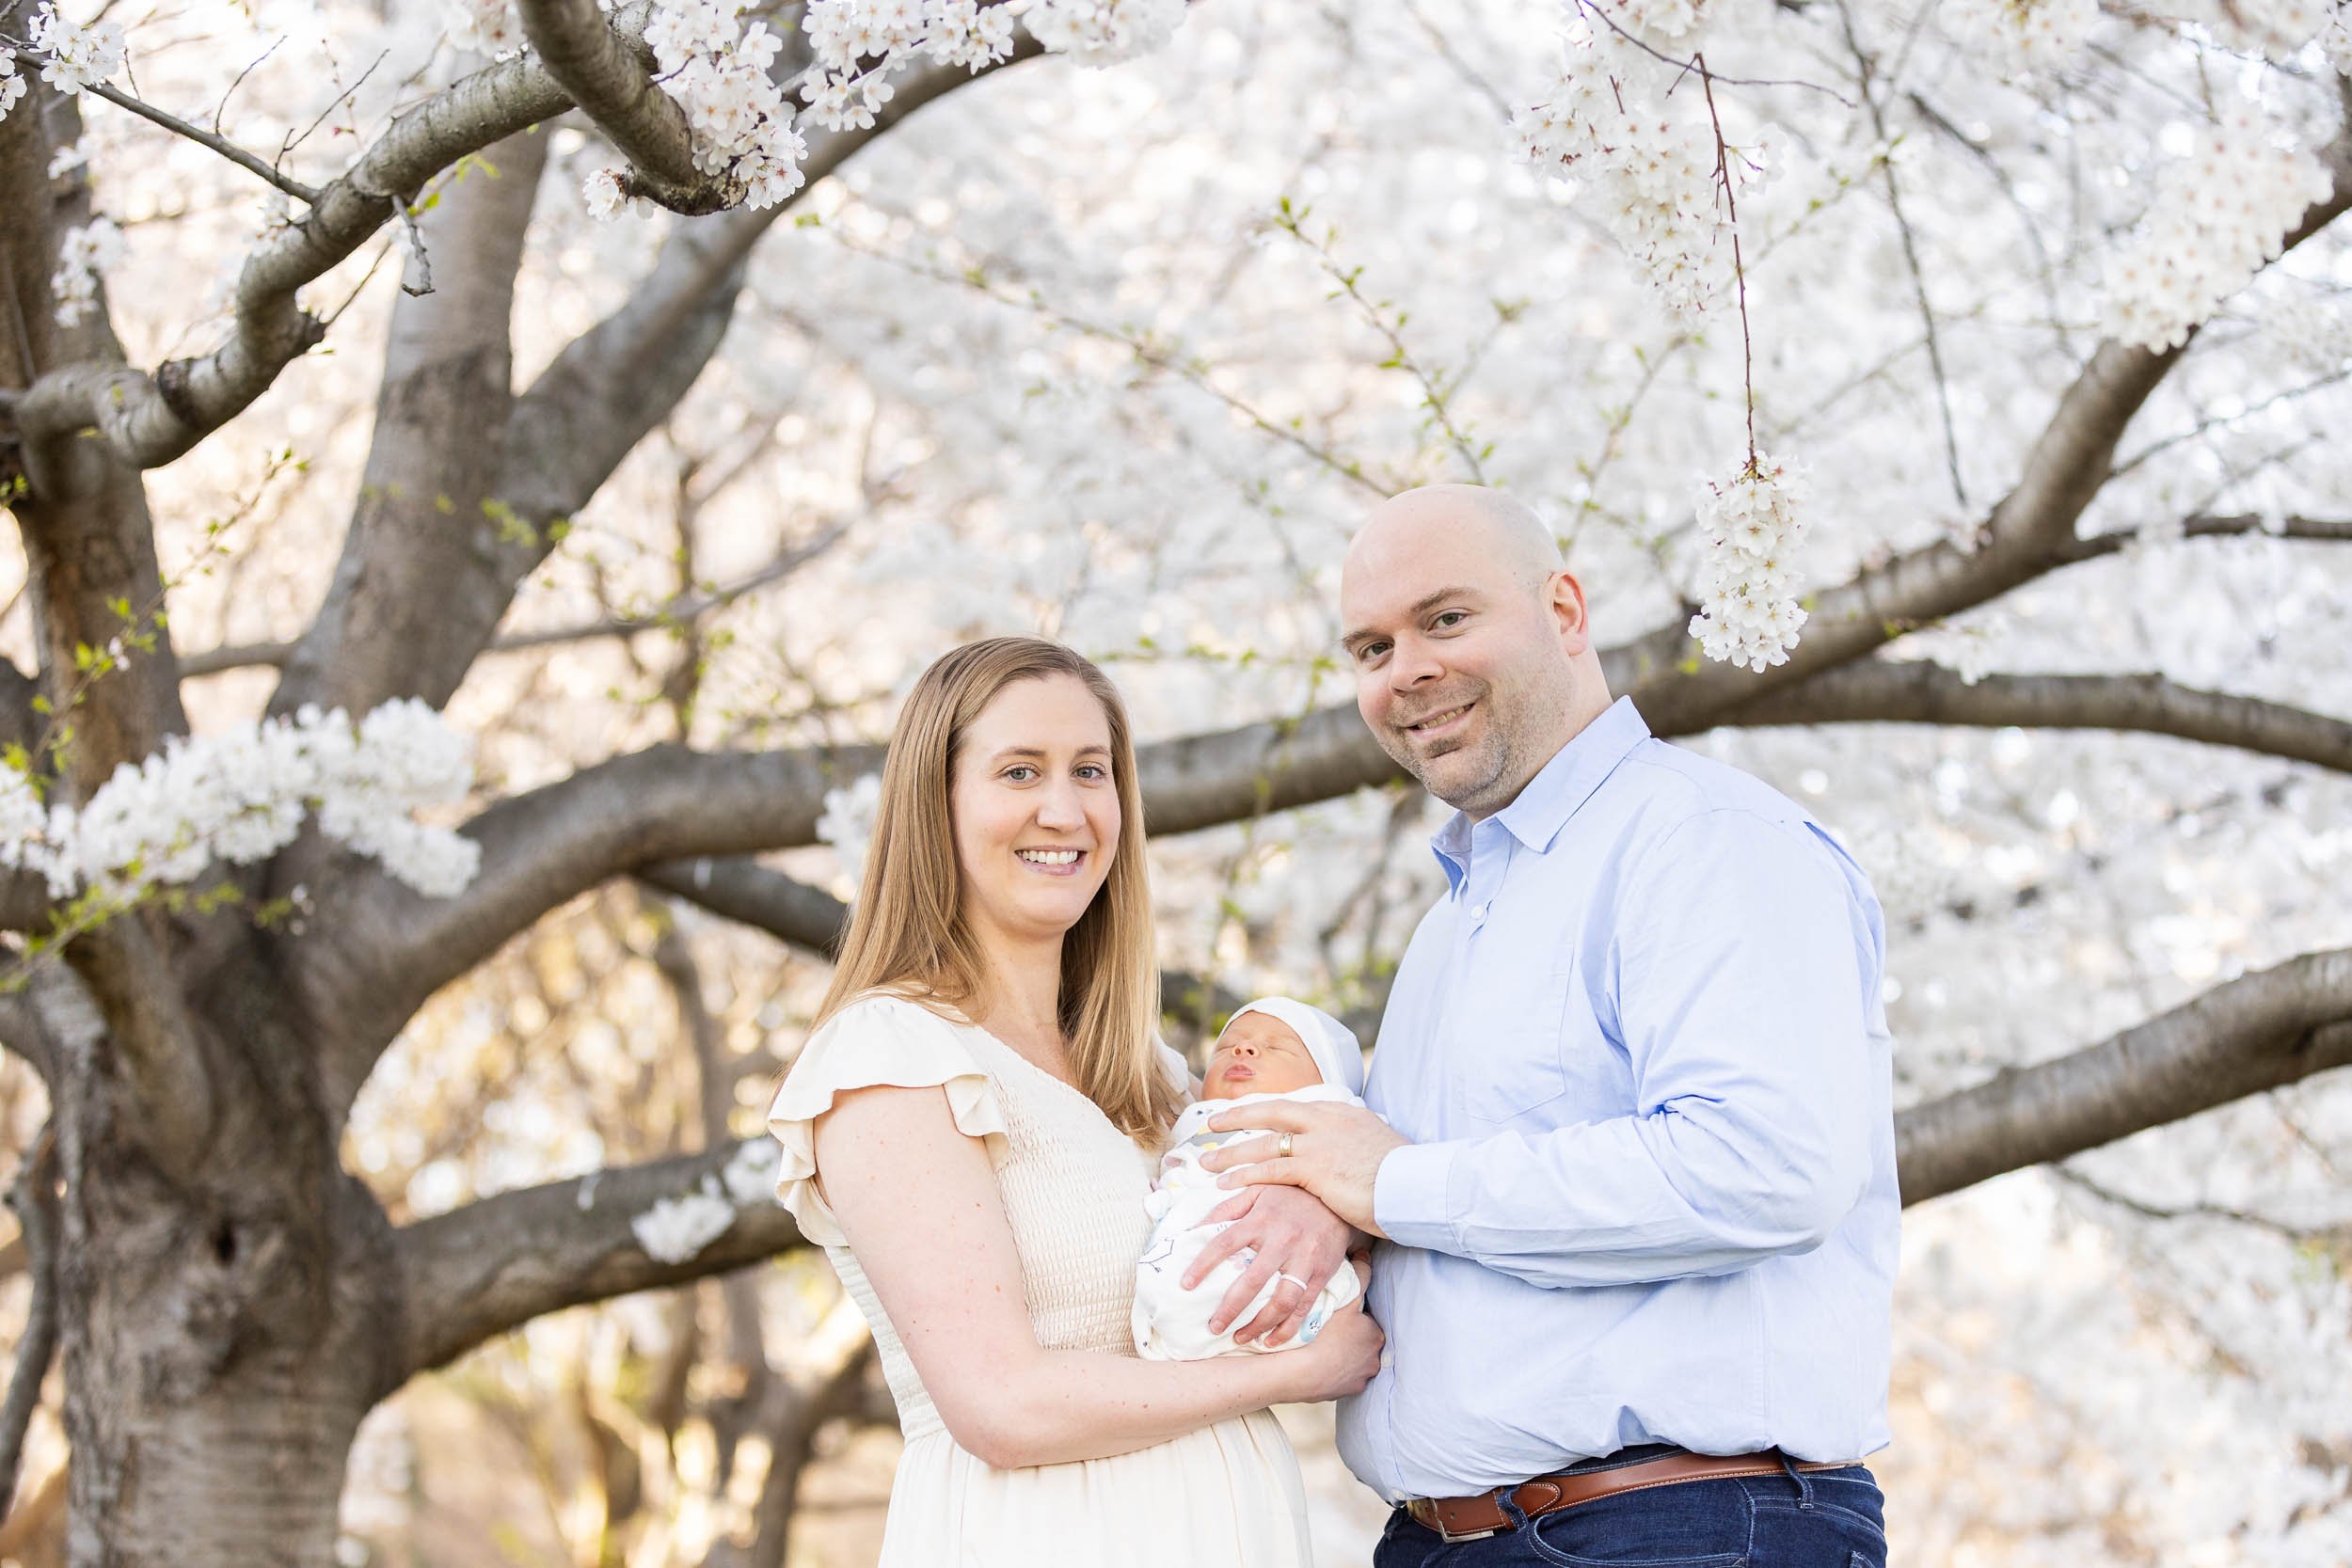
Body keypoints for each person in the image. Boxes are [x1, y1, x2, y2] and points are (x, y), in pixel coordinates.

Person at [1199, 485, 1900, 1566]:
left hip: (1673, 1528)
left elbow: (1766, 1164)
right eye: (1371, 647)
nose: (1407, 671)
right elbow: (1418, 1186)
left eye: (1444, 619)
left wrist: (1390, 1186)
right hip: (1458, 1536)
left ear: (1564, 610)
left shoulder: (1699, 840)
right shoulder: (1453, 925)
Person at [763, 637, 1381, 1568]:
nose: (1065, 808)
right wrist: (1297, 1371)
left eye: (1090, 770)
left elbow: (1314, 1214)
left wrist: (1315, 1213)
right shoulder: (891, 1056)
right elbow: (1001, 1405)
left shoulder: (1151, 1074)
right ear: (937, 803)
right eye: (1019, 770)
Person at [1133, 998, 1373, 1361]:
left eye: (1276, 1047)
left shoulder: (1335, 1112)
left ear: (1326, 1078)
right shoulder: (1191, 1119)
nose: (1243, 1049)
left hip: (1274, 1257)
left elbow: (1370, 1169)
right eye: (1227, 1046)